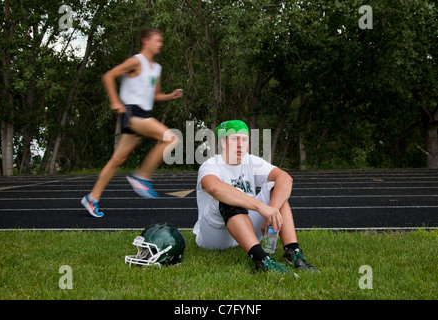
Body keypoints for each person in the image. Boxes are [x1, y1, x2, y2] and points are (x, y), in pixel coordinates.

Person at [193, 120, 318, 274]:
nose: (240, 144)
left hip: (245, 228)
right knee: (229, 197)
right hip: (215, 235)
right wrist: (261, 208)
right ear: (223, 142)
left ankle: (293, 252)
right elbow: (214, 187)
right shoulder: (211, 164)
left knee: (276, 190)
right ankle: (261, 260)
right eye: (234, 139)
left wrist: (272, 209)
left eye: (244, 139)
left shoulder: (251, 161)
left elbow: (285, 179)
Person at [81, 27, 182, 218]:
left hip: (142, 114)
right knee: (171, 138)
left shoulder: (156, 68)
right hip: (132, 114)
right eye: (157, 40)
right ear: (146, 41)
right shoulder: (136, 61)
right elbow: (108, 76)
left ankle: (92, 198)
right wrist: (115, 101)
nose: (160, 44)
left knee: (117, 160)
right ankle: (142, 176)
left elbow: (155, 95)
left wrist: (170, 96)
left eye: (161, 41)